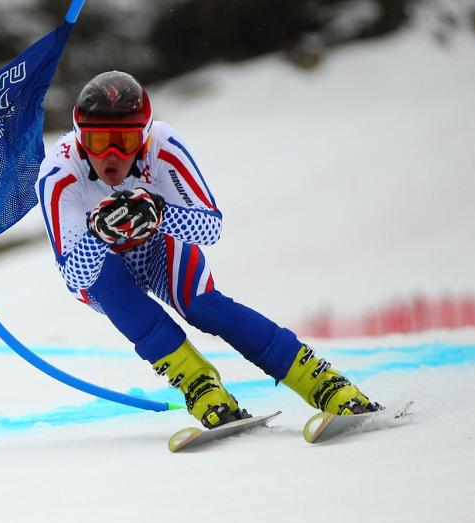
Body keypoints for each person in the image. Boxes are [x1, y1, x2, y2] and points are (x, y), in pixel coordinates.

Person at [35, 71, 379, 428]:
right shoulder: (59, 172)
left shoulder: (162, 145)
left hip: (158, 248)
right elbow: (75, 276)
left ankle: (322, 382)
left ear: (145, 135)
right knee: (110, 286)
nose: (112, 154)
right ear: (79, 138)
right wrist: (99, 235)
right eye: (98, 140)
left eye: (125, 140)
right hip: (102, 270)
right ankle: (200, 385)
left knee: (203, 306)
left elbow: (210, 227)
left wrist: (159, 213)